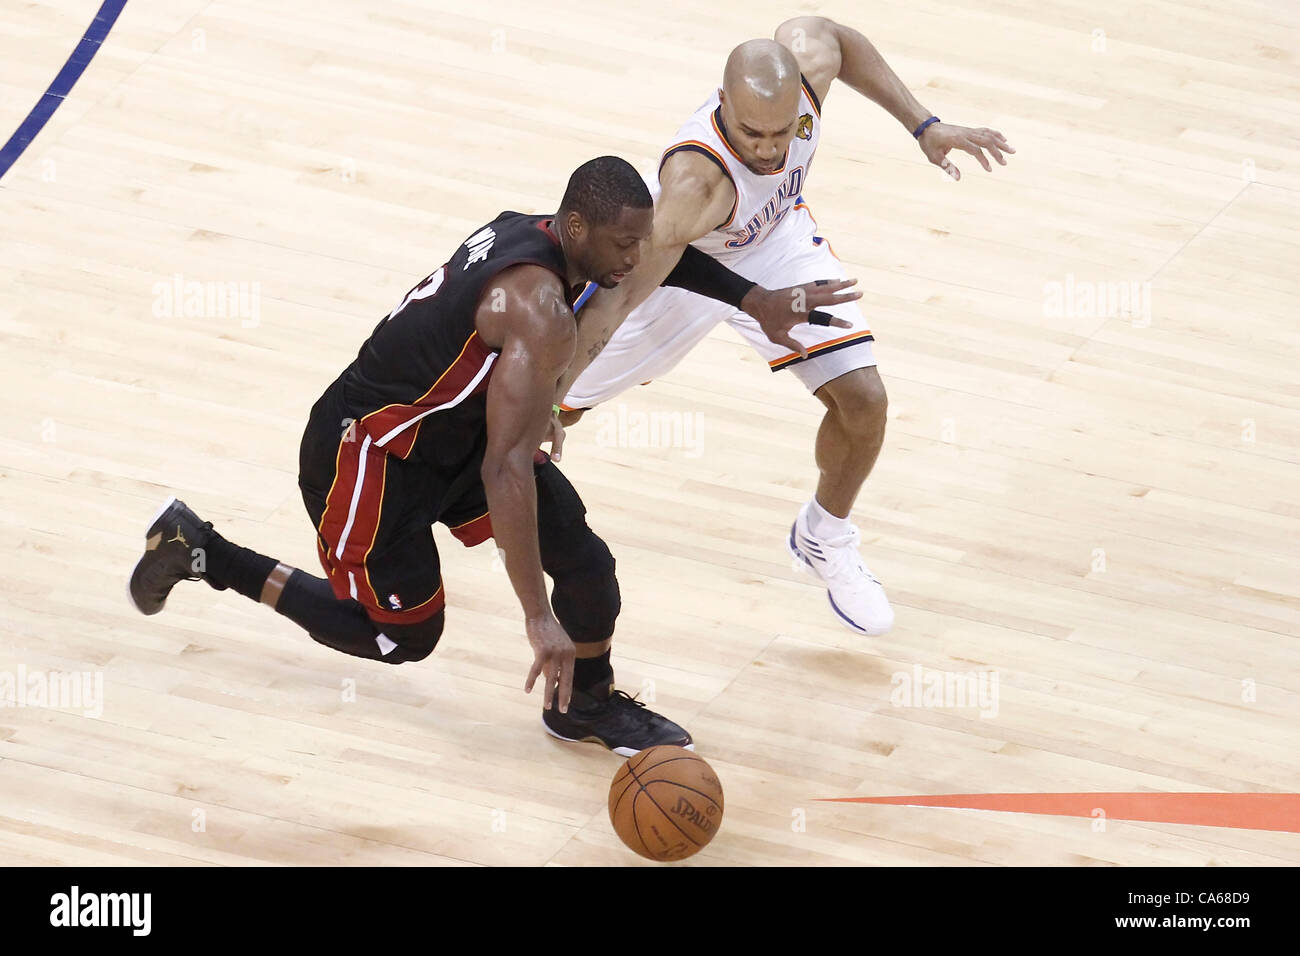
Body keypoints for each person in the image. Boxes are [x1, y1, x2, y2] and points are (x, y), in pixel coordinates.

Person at [128, 155, 857, 755]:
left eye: (641, 241)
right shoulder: (536, 306)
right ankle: (204, 552)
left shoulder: (548, 234)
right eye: (625, 245)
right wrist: (537, 618)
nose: (638, 259)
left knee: (586, 562)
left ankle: (583, 705)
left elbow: (660, 263)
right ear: (577, 228)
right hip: (372, 452)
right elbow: (504, 468)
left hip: (459, 434)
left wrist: (752, 297)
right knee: (401, 637)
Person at [558, 17, 1015, 636]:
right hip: (686, 269)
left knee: (864, 401)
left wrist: (925, 126)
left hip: (777, 243)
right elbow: (615, 303)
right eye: (752, 133)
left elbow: (836, 37)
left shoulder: (806, 72)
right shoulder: (693, 187)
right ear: (723, 107)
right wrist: (555, 391)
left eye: (781, 132)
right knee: (563, 402)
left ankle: (823, 535)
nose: (770, 150)